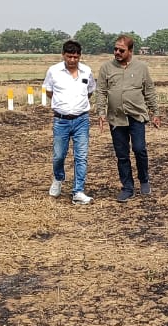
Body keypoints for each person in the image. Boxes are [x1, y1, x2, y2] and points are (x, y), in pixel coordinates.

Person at [95, 34, 161, 202]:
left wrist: (155, 113)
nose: (117, 52)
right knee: (122, 154)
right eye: (115, 49)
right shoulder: (106, 68)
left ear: (130, 51)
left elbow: (149, 91)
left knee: (139, 149)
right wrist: (101, 112)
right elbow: (101, 91)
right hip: (116, 118)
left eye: (121, 50)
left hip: (136, 116)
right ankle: (127, 188)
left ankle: (144, 179)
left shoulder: (141, 68)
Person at [43, 40, 95, 205]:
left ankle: (78, 191)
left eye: (75, 57)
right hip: (61, 120)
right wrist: (62, 104)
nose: (72, 60)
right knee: (59, 155)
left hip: (81, 120)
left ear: (80, 56)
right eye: (69, 56)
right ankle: (58, 178)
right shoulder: (54, 71)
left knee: (81, 156)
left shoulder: (87, 71)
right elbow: (49, 91)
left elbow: (90, 91)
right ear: (63, 55)